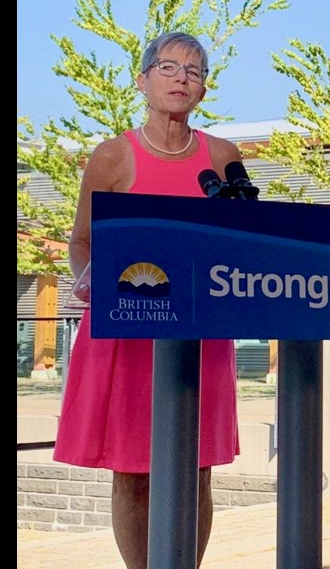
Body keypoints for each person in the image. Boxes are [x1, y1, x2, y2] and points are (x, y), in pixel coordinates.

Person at [53, 32, 242, 569]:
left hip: (201, 337)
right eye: (169, 66)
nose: (182, 77)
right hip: (129, 333)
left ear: (204, 90)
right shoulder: (111, 156)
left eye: (195, 70)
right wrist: (89, 278)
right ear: (142, 80)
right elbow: (82, 242)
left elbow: (245, 242)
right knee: (134, 471)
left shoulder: (225, 157)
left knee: (197, 468)